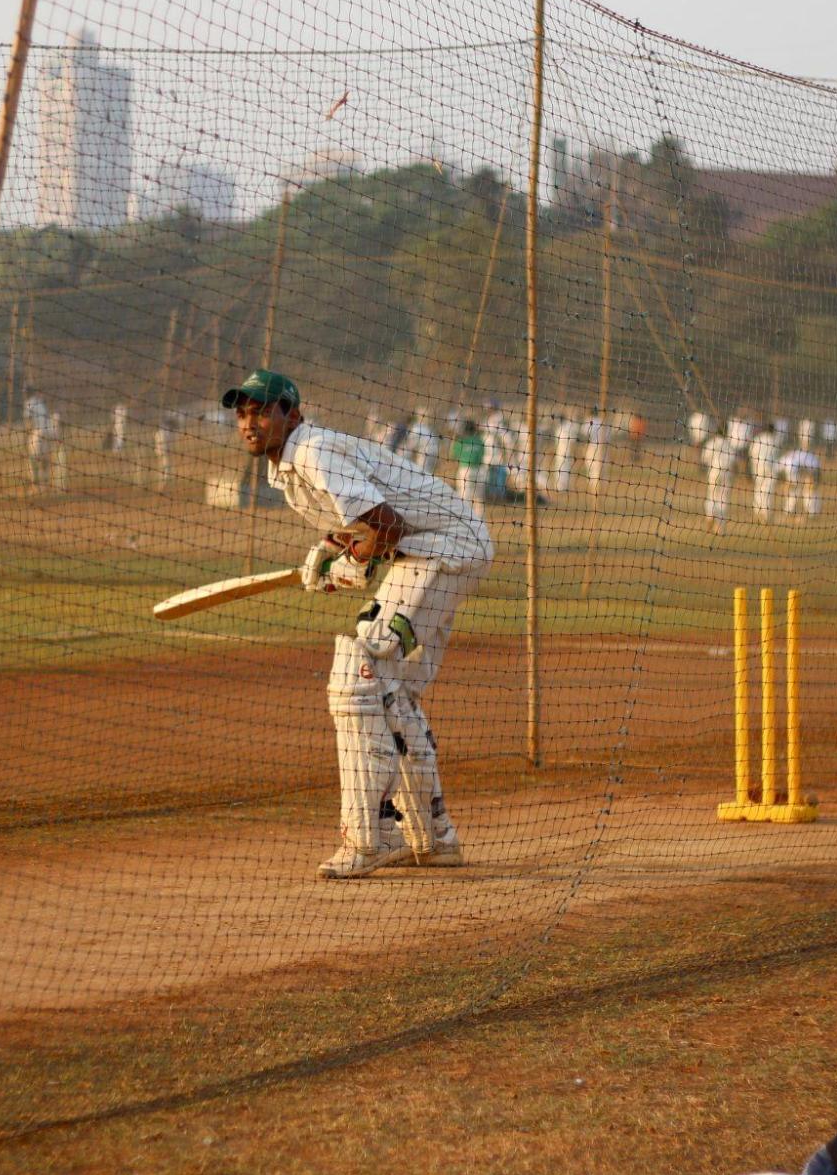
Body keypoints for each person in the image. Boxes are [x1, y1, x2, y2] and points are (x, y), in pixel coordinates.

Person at [225, 367, 487, 879]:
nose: (248, 421)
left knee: (358, 669)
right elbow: (365, 530)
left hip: (443, 549)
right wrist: (333, 553)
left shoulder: (312, 451)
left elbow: (385, 529)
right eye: (241, 412)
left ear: (291, 414)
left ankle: (371, 837)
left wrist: (351, 563)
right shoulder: (285, 472)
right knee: (395, 692)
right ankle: (434, 838)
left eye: (260, 409)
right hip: (433, 549)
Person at [747, 420, 785, 524]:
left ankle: (757, 512)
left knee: (758, 490)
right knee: (767, 492)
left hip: (758, 467)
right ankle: (765, 515)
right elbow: (778, 457)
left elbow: (751, 453)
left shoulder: (758, 438)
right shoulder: (775, 440)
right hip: (770, 469)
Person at [702, 427, 738, 535]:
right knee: (723, 499)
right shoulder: (729, 444)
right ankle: (719, 527)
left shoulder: (711, 443)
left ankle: (710, 515)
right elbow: (733, 461)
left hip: (714, 472)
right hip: (726, 474)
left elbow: (704, 458)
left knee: (711, 496)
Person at [781, 439, 822, 522]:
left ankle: (811, 513)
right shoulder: (795, 455)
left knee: (808, 493)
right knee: (796, 492)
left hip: (809, 473)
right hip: (799, 474)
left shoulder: (808, 456)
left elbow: (815, 470)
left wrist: (812, 480)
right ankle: (790, 511)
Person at [451, 419, 484, 512]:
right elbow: (482, 455)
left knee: (464, 498)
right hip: (479, 470)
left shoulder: (461, 441)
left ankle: (465, 519)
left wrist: (454, 439)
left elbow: (453, 455)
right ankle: (480, 522)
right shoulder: (480, 440)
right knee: (479, 499)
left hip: (465, 470)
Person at [549, 410, 578, 495]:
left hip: (565, 452)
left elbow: (572, 440)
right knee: (561, 468)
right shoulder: (561, 428)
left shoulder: (567, 427)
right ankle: (561, 487)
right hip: (562, 452)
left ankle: (562, 487)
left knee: (564, 469)